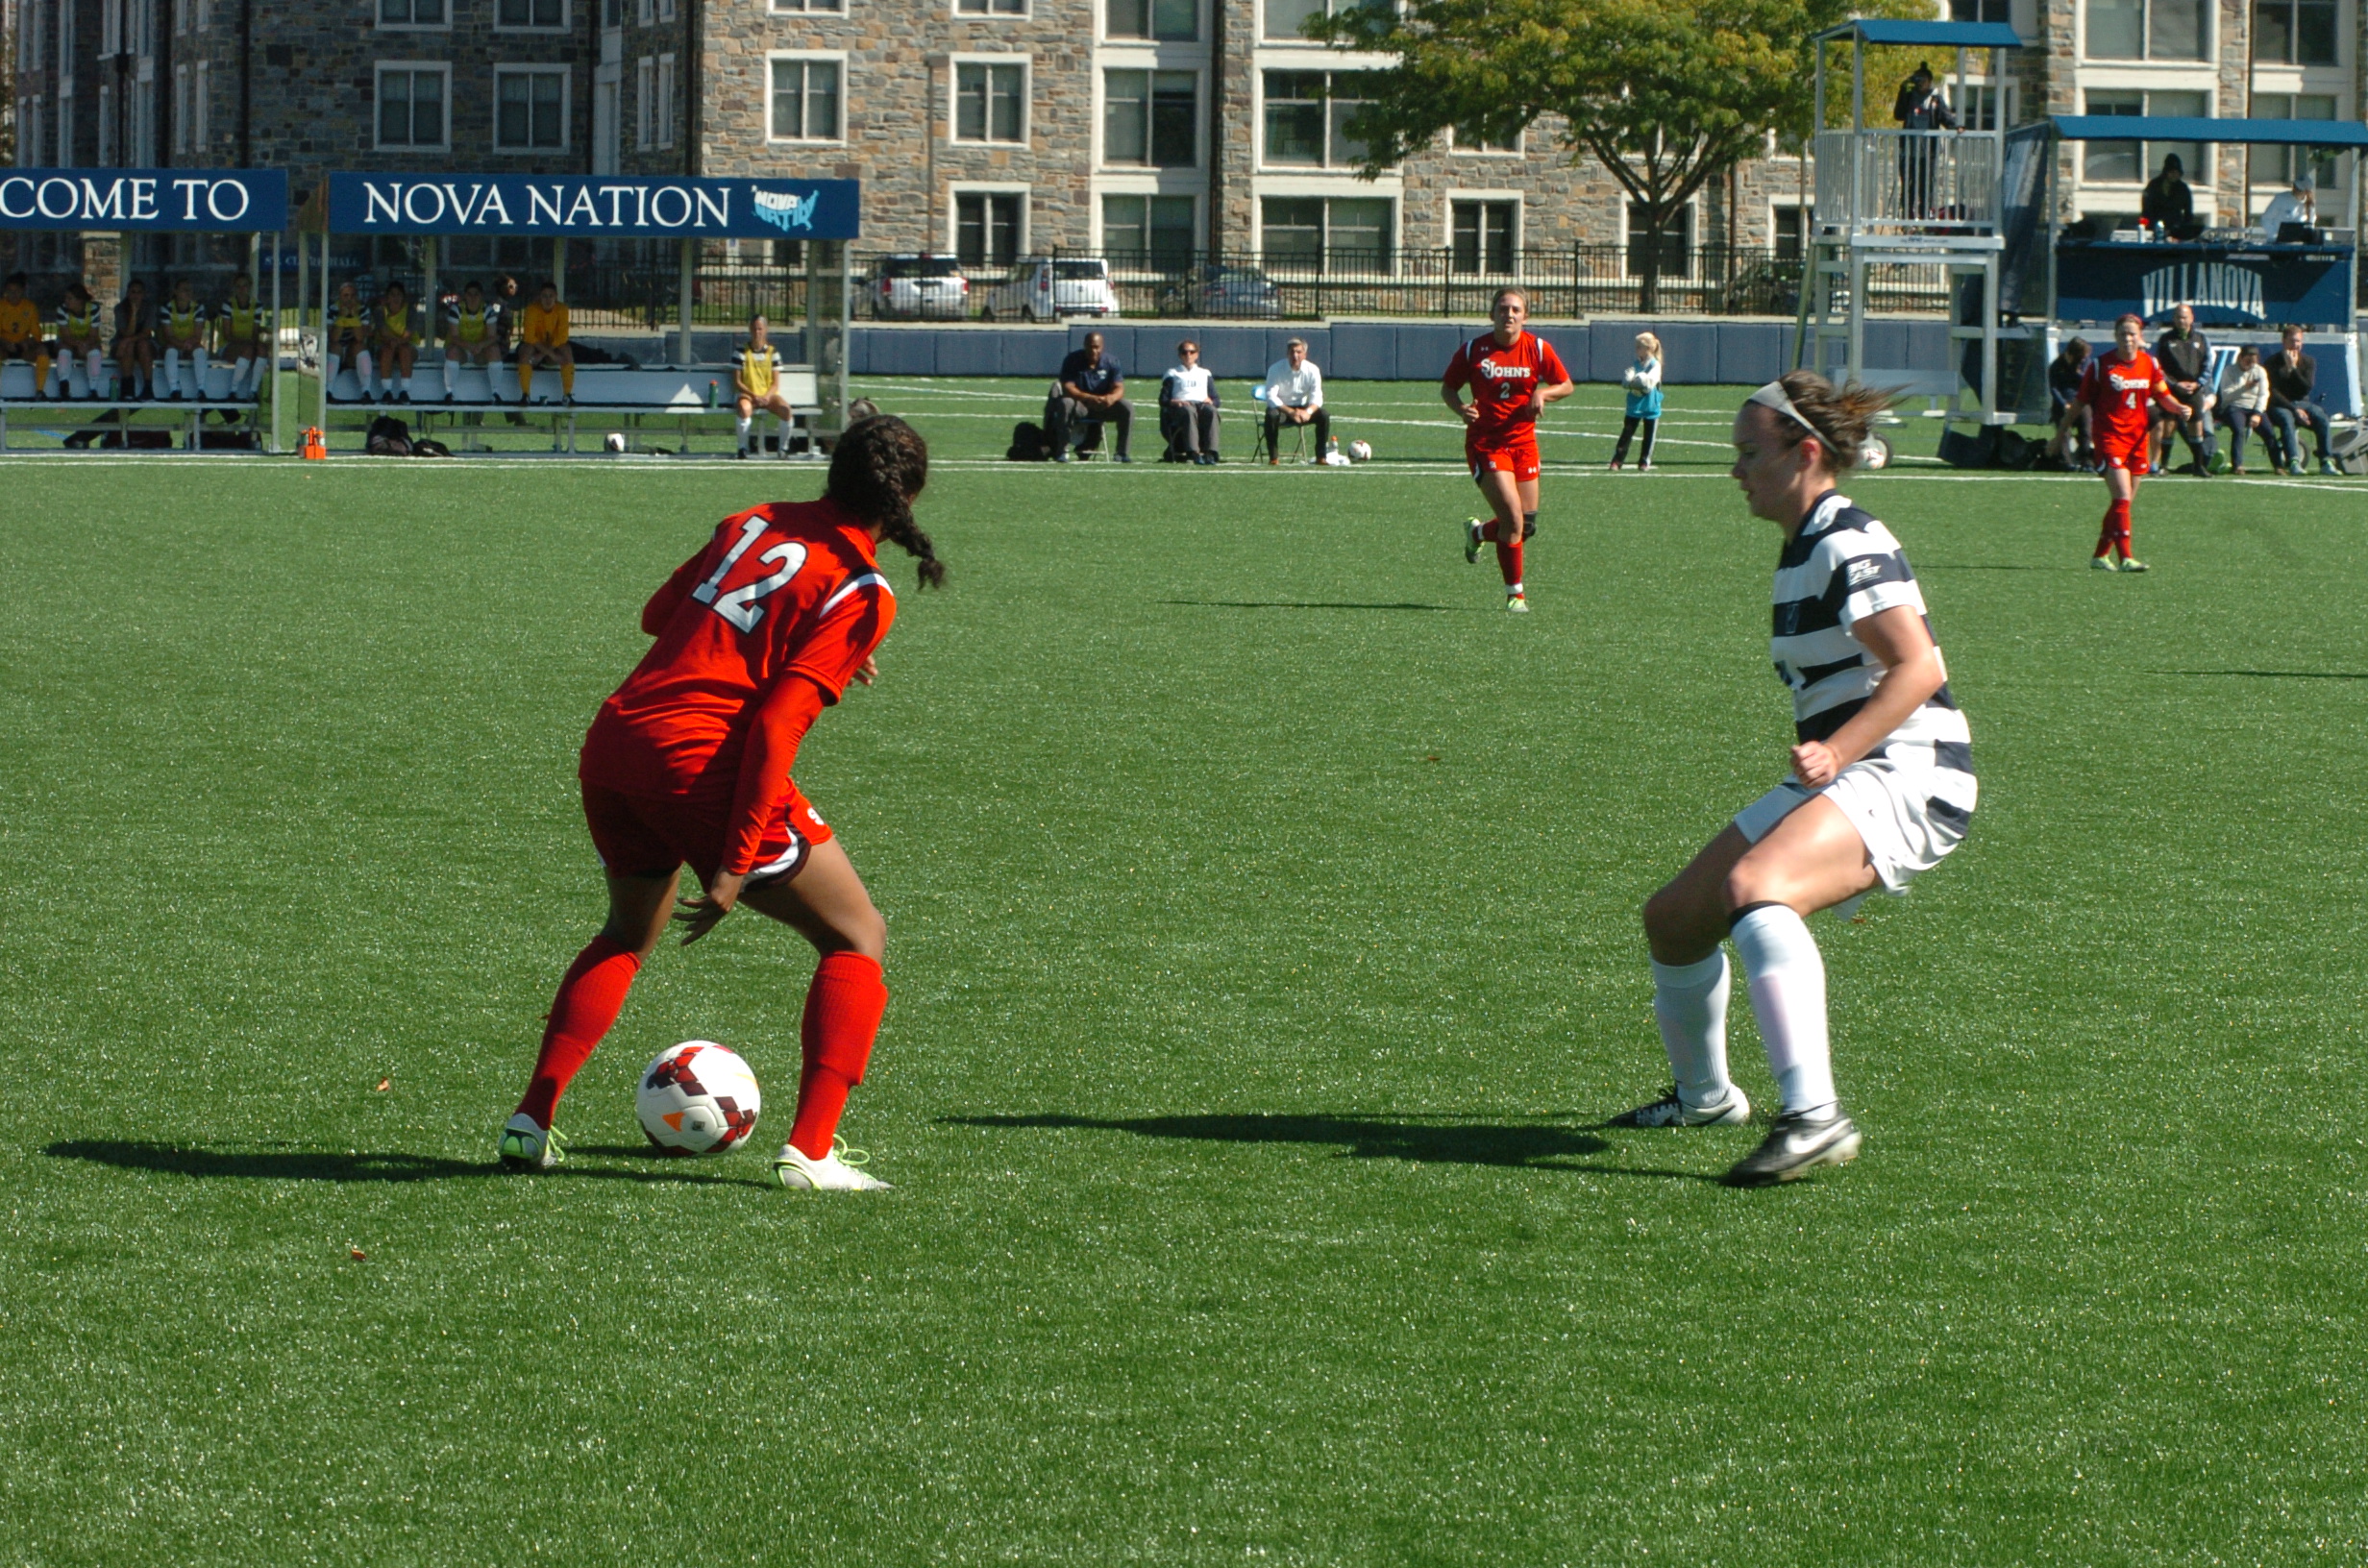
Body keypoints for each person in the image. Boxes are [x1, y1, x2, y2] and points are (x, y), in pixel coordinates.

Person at [499, 415, 946, 1190]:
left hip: (616, 745)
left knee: (625, 933)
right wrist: (734, 866)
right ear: (907, 498)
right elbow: (775, 726)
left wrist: (798, 642)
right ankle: (811, 1153)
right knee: (857, 934)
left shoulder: (754, 520)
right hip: (696, 763)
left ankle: (530, 1122)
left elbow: (658, 617)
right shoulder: (862, 585)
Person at [1623, 372, 1976, 1186]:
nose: (1736, 470)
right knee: (1674, 920)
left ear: (1804, 452)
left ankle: (1814, 1116)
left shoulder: (1844, 539)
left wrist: (1839, 750)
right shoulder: (1806, 540)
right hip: (1858, 767)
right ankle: (1706, 1099)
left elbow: (1920, 667)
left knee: (1757, 888)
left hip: (1912, 770)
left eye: (1750, 453)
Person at [1443, 286, 1575, 612]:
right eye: (1503, 309)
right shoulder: (1474, 350)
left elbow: (1566, 384)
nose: (1509, 315)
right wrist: (1462, 410)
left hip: (1524, 443)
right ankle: (1515, 594)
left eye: (1516, 309)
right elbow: (1448, 388)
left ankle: (1477, 533)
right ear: (1492, 314)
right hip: (1487, 443)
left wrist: (1542, 394)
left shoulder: (1538, 348)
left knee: (1524, 526)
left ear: (1525, 316)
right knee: (1513, 519)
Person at [2075, 312, 2189, 572]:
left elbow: (2163, 395)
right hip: (2110, 438)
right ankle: (2126, 558)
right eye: (2122, 334)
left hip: (2137, 440)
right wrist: (2061, 433)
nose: (2127, 339)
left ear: (2140, 337)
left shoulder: (2149, 363)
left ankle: (2100, 555)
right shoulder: (2101, 365)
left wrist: (2179, 407)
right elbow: (2081, 401)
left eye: (2132, 334)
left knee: (2123, 503)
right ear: (2115, 337)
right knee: (2123, 497)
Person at [2150, 303, 2215, 476]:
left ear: (2192, 318)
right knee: (2169, 427)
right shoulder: (2165, 339)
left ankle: (2198, 466)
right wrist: (2174, 384)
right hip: (2172, 390)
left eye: (2185, 317)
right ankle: (2164, 465)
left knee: (2196, 427)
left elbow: (2208, 365)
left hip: (2194, 390)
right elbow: (2159, 368)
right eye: (2178, 317)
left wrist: (2198, 383)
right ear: (2173, 319)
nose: (2181, 321)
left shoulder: (2201, 339)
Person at [1048, 331, 1132, 462]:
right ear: (1085, 346)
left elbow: (1119, 387)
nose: (1093, 351)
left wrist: (1111, 398)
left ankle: (1122, 453)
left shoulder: (1111, 361)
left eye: (1097, 347)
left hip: (1102, 406)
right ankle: (1062, 451)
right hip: (1081, 405)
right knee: (1066, 402)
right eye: (1090, 347)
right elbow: (1068, 388)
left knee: (1127, 407)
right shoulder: (1072, 360)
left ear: (1102, 347)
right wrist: (1088, 397)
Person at [2266, 325, 2336, 477]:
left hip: (2302, 402)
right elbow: (2272, 392)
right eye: (2292, 341)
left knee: (2322, 418)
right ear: (2284, 341)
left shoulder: (2308, 361)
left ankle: (2326, 461)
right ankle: (2293, 461)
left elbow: (2306, 388)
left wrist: (2293, 368)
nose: (2295, 345)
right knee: (2287, 419)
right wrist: (2293, 409)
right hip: (2280, 404)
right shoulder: (2273, 362)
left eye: (2298, 341)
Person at [1891, 64, 1957, 219]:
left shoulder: (1935, 99)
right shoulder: (1909, 97)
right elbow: (1899, 115)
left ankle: (1925, 216)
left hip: (1928, 152)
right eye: (1917, 79)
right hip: (1909, 151)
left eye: (1923, 79)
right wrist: (1903, 90)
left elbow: (1946, 118)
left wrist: (1957, 127)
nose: (1920, 83)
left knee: (1926, 185)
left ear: (1929, 81)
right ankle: (1907, 216)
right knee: (1909, 184)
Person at [732, 313, 796, 459]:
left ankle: (783, 448)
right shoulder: (740, 352)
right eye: (754, 329)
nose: (757, 332)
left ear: (766, 330)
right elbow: (737, 382)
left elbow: (775, 383)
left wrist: (766, 397)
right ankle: (742, 448)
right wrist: (754, 396)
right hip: (748, 394)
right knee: (744, 409)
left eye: (760, 329)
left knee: (786, 410)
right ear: (750, 329)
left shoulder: (773, 352)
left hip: (768, 395)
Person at [1261, 338, 1330, 462]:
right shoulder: (1275, 369)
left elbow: (1317, 397)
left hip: (1302, 409)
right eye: (1292, 352)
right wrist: (1291, 412)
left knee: (1324, 415)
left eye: (1299, 352)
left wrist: (1308, 412)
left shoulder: (1312, 370)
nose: (1295, 355)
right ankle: (1273, 458)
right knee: (1271, 415)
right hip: (1282, 409)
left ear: (1305, 354)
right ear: (1287, 353)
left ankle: (1321, 457)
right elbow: (1271, 397)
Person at [441, 280, 505, 403]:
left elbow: (492, 336)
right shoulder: (456, 309)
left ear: (481, 296)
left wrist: (480, 345)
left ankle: (495, 393)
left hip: (480, 351)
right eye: (469, 294)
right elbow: (454, 337)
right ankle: (449, 393)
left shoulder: (488, 310)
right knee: (452, 352)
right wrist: (469, 346)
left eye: (476, 294)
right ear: (465, 295)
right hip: (461, 350)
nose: (473, 298)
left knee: (494, 350)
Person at [1159, 338, 1221, 463]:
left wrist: (1212, 401)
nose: (1188, 355)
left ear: (1197, 355)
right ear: (1180, 355)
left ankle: (1211, 452)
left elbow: (1216, 399)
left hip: (1201, 405)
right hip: (1181, 407)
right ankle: (1193, 452)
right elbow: (1163, 399)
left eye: (1192, 352)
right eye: (1184, 352)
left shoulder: (1204, 373)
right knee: (1188, 411)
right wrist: (1174, 402)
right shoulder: (1172, 373)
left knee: (1211, 411)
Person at [214, 271, 268, 412]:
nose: (242, 289)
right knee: (248, 350)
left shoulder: (256, 305)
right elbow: (227, 335)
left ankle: (253, 391)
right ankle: (233, 391)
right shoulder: (228, 305)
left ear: (249, 287)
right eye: (238, 286)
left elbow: (255, 332)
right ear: (234, 288)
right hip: (228, 346)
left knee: (262, 349)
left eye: (244, 286)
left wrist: (259, 335)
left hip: (247, 345)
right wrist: (247, 342)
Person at [517, 280, 577, 404]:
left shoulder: (562, 309)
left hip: (553, 347)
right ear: (540, 297)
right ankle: (525, 394)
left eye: (551, 296)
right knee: (525, 351)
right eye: (544, 296)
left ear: (556, 297)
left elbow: (562, 337)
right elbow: (529, 337)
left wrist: (545, 355)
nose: (548, 300)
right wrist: (548, 354)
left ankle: (567, 395)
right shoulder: (532, 309)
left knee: (567, 350)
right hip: (536, 346)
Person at [2213, 344, 2269, 475]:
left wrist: (2258, 413)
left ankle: (2278, 465)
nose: (2250, 365)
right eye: (2247, 361)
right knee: (2238, 430)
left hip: (2254, 407)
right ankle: (2237, 465)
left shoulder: (2260, 371)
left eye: (2253, 362)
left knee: (2269, 432)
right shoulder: (2229, 371)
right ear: (2240, 358)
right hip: (2234, 406)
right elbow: (2226, 395)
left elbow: (2263, 394)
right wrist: (2244, 387)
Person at [1611, 331, 1662, 471]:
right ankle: (1617, 461)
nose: (1636, 349)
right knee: (1626, 434)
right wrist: (1629, 381)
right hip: (1634, 405)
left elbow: (1648, 383)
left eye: (1639, 347)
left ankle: (1644, 462)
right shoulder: (1636, 364)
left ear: (1648, 348)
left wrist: (1638, 381)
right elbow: (1627, 381)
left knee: (1648, 436)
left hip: (1650, 405)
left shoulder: (1655, 365)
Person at [157, 277, 210, 401]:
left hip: (190, 344)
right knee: (171, 350)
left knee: (200, 350)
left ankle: (201, 389)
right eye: (184, 290)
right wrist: (182, 345)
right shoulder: (167, 308)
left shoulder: (198, 308)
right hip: (174, 344)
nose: (188, 292)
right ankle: (174, 389)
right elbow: (168, 336)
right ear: (175, 292)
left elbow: (197, 335)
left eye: (189, 290)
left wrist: (188, 344)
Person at [2046, 336, 2093, 467]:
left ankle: (2086, 461)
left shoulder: (2085, 363)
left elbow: (2087, 382)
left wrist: (2077, 371)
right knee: (2064, 433)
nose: (2082, 360)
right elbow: (2053, 388)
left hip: (2081, 402)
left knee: (2086, 431)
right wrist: (2063, 403)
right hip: (2063, 403)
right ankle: (2066, 462)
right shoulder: (2056, 366)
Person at [0, 273, 49, 400]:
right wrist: (5, 343)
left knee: (42, 350)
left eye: (16, 291)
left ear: (23, 291)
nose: (13, 295)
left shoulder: (30, 307)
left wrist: (28, 341)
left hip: (23, 348)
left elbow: (37, 335)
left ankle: (40, 391)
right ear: (5, 291)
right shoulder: (1, 306)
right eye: (10, 291)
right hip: (4, 347)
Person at [53, 282, 105, 399]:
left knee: (95, 351)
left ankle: (93, 389)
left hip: (87, 342)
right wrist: (78, 345)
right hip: (68, 342)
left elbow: (93, 335)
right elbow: (65, 336)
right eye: (66, 298)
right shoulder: (62, 310)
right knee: (63, 350)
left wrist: (84, 345)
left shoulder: (94, 309)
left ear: (80, 300)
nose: (66, 301)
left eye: (70, 298)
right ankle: (64, 386)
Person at [370, 282, 419, 403]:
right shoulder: (380, 311)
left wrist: (397, 342)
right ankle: (387, 391)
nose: (395, 298)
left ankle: (404, 391)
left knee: (405, 350)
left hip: (406, 345)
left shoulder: (410, 311)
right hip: (385, 345)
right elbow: (383, 332)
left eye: (399, 295)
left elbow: (407, 336)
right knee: (387, 350)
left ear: (403, 297)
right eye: (392, 294)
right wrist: (392, 342)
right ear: (387, 297)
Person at [327, 282, 373, 403]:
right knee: (335, 346)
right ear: (340, 296)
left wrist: (354, 316)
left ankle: (366, 392)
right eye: (346, 295)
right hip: (338, 352)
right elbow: (334, 338)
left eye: (352, 296)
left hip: (352, 354)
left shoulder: (363, 310)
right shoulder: (332, 309)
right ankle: (328, 392)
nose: (349, 299)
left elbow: (360, 337)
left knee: (360, 347)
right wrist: (341, 317)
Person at [111, 279, 156, 401]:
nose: (136, 296)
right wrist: (134, 314)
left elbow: (146, 333)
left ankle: (148, 388)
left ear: (144, 294)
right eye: (133, 292)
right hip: (123, 346)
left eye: (139, 292)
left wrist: (126, 341)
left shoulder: (150, 308)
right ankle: (128, 388)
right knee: (129, 346)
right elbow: (126, 333)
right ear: (128, 293)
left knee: (143, 345)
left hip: (141, 343)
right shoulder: (120, 308)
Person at [2140, 155, 2196, 239]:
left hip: (2176, 233)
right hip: (2154, 231)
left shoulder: (2183, 189)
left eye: (2177, 172)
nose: (2174, 175)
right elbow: (2146, 211)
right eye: (2171, 172)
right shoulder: (2154, 186)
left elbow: (2188, 215)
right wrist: (2152, 228)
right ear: (2166, 172)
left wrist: (2180, 231)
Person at [2259, 170, 2317, 238]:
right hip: (2277, 241)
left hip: (2299, 242)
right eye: (2295, 186)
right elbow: (2266, 218)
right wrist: (2274, 235)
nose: (2295, 190)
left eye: (2299, 189)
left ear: (2306, 192)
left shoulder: (2310, 206)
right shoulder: (2280, 198)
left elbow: (2310, 226)